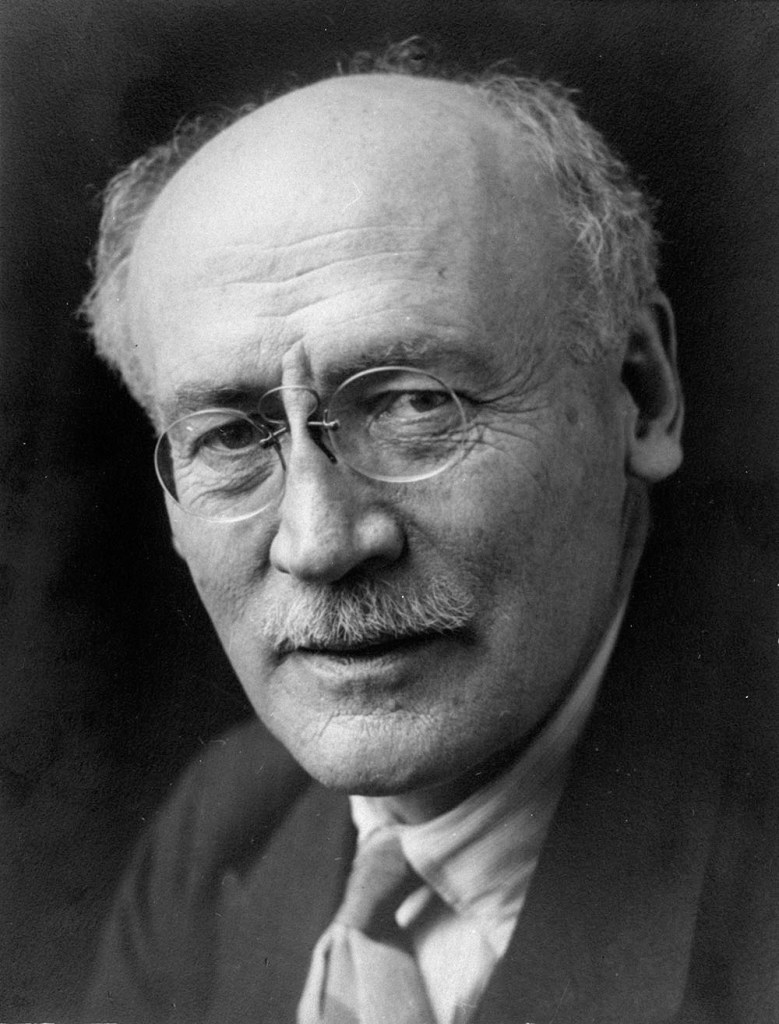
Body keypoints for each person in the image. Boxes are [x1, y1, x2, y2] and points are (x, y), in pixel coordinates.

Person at [80, 41, 777, 1024]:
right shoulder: (220, 832)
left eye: (414, 405)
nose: (319, 543)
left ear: (640, 393)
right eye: (231, 435)